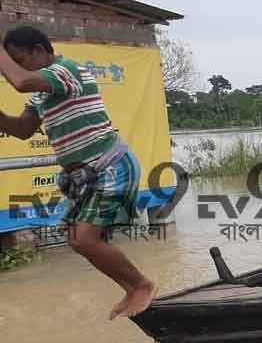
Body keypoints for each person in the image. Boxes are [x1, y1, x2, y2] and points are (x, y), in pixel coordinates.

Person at [0, 26, 155, 320]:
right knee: (77, 241)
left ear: (39, 51)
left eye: (20, 60)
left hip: (110, 166)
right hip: (87, 176)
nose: (18, 68)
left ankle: (142, 285)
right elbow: (21, 130)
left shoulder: (65, 71)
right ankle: (132, 288)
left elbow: (20, 83)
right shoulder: (41, 95)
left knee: (85, 239)